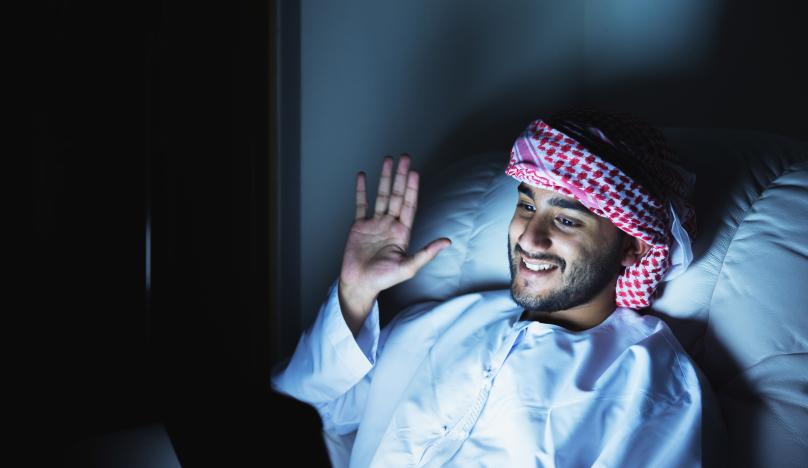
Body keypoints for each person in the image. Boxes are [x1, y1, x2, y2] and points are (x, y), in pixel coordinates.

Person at [270, 110, 726, 467]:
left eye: (565, 219)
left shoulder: (653, 384)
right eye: (527, 205)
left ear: (632, 247)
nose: (529, 237)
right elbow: (313, 410)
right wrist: (355, 293)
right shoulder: (440, 322)